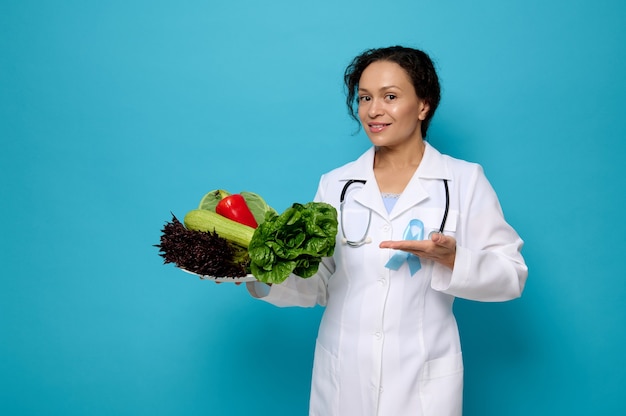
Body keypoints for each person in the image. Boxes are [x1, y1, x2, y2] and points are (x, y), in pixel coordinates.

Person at [246, 45, 528, 416]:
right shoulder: (336, 184)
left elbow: (512, 276)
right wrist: (257, 273)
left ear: (423, 105)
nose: (373, 111)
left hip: (423, 378)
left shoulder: (463, 180)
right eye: (364, 98)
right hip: (344, 375)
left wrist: (453, 258)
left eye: (390, 97)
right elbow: (318, 281)